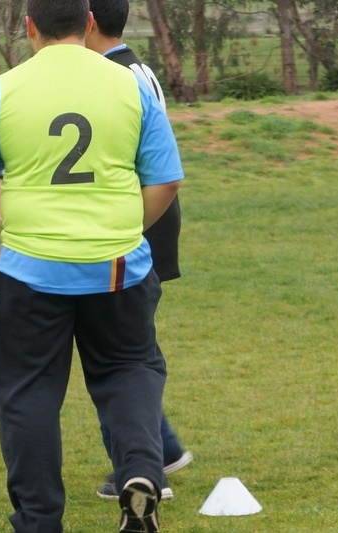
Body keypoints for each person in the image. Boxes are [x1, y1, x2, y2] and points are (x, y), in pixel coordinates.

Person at [0, 1, 183, 531]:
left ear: (29, 27)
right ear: (89, 23)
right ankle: (141, 473)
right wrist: (123, 229)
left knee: (29, 393)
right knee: (128, 370)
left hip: (31, 270)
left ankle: (38, 519)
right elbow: (166, 180)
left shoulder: (2, 90)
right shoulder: (131, 85)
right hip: (118, 266)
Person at [87, 0, 193, 501]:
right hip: (151, 215)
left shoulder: (112, 78)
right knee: (130, 345)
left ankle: (141, 467)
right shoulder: (136, 66)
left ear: (86, 21)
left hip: (135, 221)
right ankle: (163, 447)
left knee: (116, 350)